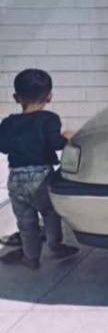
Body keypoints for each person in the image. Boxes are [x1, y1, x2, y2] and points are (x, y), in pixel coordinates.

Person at [0, 69, 79, 269]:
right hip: (41, 177)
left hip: (16, 178)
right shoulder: (49, 119)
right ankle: (55, 247)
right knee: (50, 214)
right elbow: (55, 143)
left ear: (16, 97)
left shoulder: (8, 123)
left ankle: (31, 257)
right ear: (49, 96)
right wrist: (66, 137)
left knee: (26, 222)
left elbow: (3, 147)